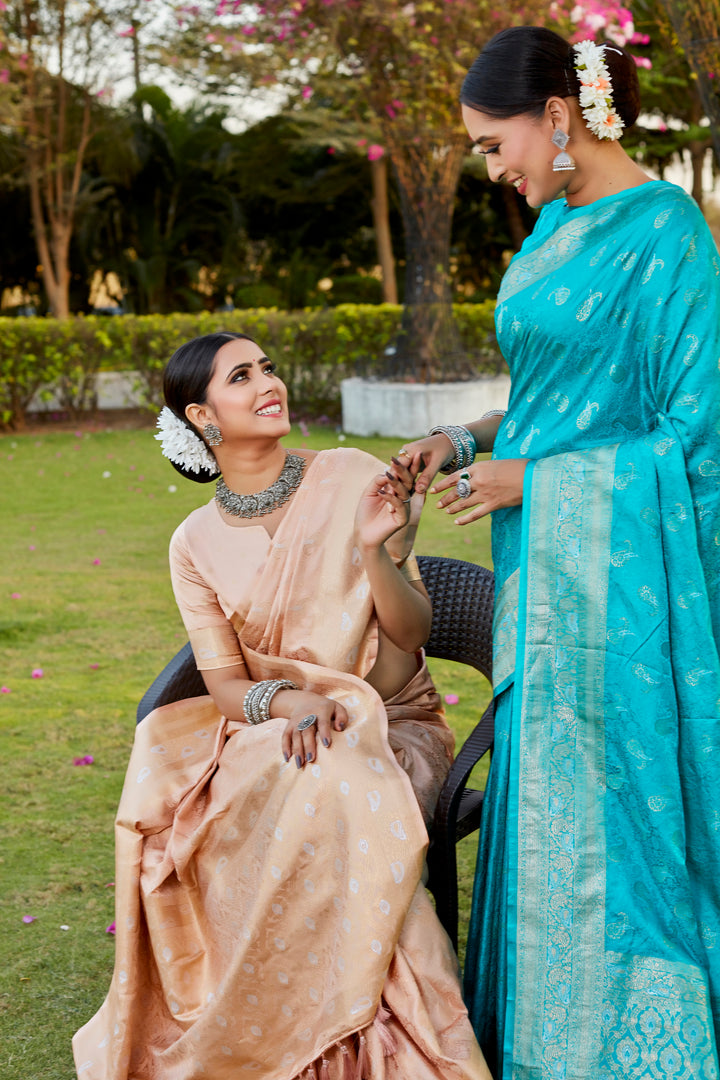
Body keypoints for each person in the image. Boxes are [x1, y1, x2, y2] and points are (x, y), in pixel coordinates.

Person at [398, 25, 720, 1079]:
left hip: (627, 580)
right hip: (543, 570)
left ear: (556, 115)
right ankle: (543, 1035)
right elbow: (546, 401)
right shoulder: (549, 232)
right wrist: (465, 439)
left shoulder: (668, 233)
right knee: (548, 797)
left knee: (622, 799)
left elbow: (696, 435)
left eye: (497, 145)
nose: (495, 169)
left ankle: (639, 1048)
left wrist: (534, 479)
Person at [72, 330, 492, 1080]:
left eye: (267, 367)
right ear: (203, 417)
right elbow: (223, 683)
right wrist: (291, 698)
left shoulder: (351, 476)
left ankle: (367, 1041)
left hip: (393, 721)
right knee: (292, 780)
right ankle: (287, 1032)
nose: (270, 382)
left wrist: (375, 549)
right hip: (278, 728)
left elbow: (411, 639)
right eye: (243, 376)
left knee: (336, 781)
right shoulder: (193, 542)